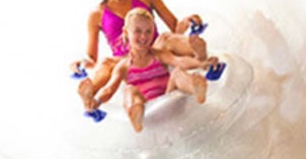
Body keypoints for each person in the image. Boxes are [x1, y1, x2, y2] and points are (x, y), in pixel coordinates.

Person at [75, 0, 208, 110]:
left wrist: (187, 22)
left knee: (166, 37)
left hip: (155, 50)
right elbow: (92, 58)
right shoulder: (96, 14)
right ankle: (89, 95)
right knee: (106, 63)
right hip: (127, 59)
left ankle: (200, 53)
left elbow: (174, 27)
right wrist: (82, 63)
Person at [87, 8, 219, 133]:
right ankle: (135, 112)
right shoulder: (123, 66)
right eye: (138, 31)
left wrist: (201, 64)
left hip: (168, 98)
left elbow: (179, 61)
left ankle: (195, 88)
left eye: (148, 31)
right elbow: (109, 89)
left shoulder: (159, 54)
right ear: (126, 33)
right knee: (129, 90)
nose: (144, 36)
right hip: (147, 111)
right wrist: (96, 101)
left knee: (177, 72)